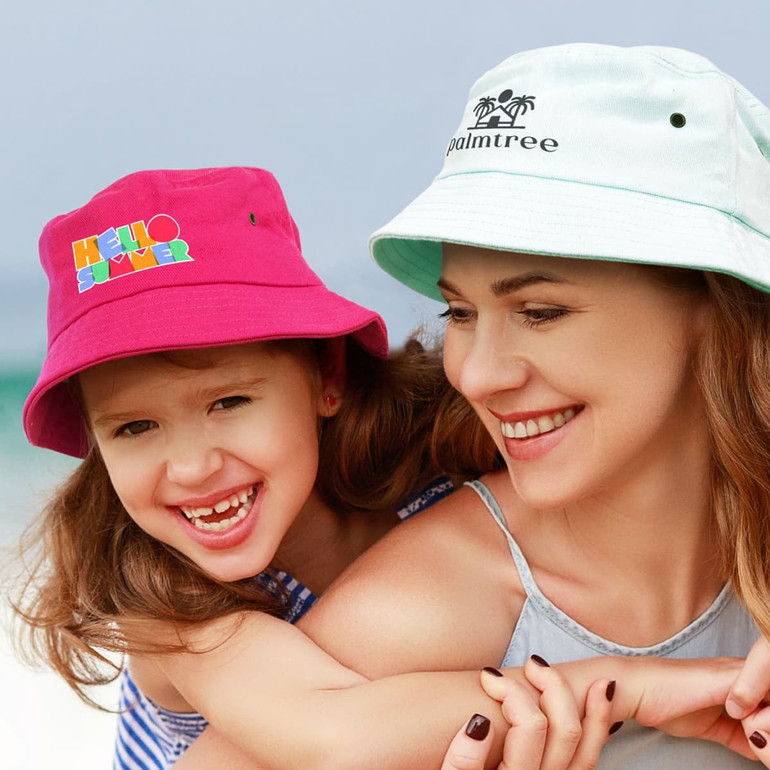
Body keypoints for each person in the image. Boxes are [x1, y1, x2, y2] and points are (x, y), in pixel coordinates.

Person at [11, 164, 750, 770]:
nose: (193, 466)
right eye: (134, 427)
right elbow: (335, 736)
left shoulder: (435, 463)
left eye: (229, 402)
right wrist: (634, 688)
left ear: (327, 379)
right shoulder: (163, 597)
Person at [294, 43, 770, 767]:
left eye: (540, 312)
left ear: (714, 304)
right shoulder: (417, 612)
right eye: (459, 313)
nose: (477, 375)